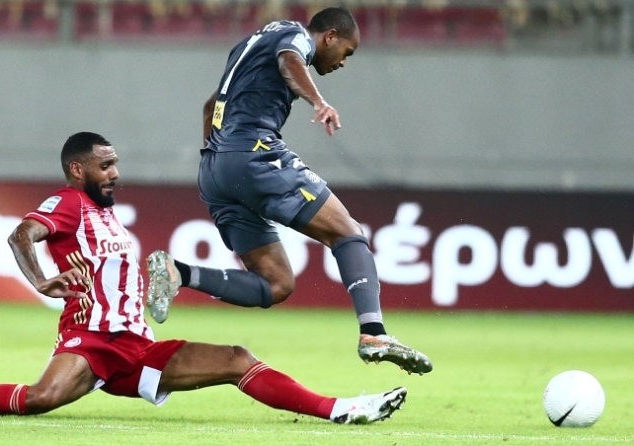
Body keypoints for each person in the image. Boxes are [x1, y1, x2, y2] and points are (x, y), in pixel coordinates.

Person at [0, 132, 408, 424]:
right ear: (78, 169)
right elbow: (21, 235)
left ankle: (340, 409)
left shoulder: (106, 214)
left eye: (116, 163)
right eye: (106, 165)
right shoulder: (69, 202)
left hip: (134, 345)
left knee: (237, 358)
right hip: (92, 339)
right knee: (42, 398)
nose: (115, 173)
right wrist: (41, 280)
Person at [146, 7, 432, 375]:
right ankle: (374, 333)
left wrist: (220, 159)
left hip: (215, 169)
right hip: (253, 153)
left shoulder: (253, 43)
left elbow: (209, 106)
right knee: (348, 233)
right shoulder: (294, 36)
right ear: (329, 37)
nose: (343, 62)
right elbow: (290, 60)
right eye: (346, 52)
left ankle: (179, 273)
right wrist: (319, 101)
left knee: (276, 284)